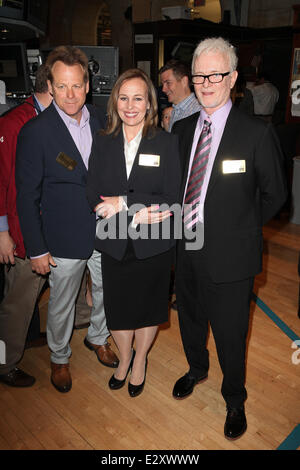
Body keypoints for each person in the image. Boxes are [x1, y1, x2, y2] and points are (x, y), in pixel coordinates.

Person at [171, 37, 286, 440]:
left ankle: (234, 398)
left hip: (232, 259)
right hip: (185, 250)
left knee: (231, 334)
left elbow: (276, 194)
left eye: (216, 74)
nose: (206, 82)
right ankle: (196, 369)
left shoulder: (255, 133)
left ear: (233, 77)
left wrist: (239, 229)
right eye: (200, 75)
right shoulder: (182, 129)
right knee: (189, 319)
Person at [15, 46, 118, 394]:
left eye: (77, 86)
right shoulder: (35, 132)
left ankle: (98, 337)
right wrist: (37, 249)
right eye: (62, 86)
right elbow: (26, 196)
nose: (70, 95)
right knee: (61, 303)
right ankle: (59, 357)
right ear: (50, 86)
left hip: (104, 230)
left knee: (106, 291)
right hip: (62, 237)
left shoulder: (105, 120)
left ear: (87, 85)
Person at [86, 68, 181, 397]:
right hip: (114, 242)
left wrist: (125, 203)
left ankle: (140, 360)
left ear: (149, 103)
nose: (130, 105)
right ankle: (124, 358)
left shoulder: (166, 143)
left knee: (148, 309)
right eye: (123, 98)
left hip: (153, 246)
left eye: (138, 98)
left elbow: (172, 198)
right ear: (115, 102)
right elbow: (92, 192)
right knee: (119, 310)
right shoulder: (103, 141)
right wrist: (108, 206)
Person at [0, 65, 52, 388]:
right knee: (16, 302)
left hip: (45, 227)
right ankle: (4, 364)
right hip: (19, 231)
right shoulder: (14, 122)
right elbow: (1, 179)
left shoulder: (53, 120)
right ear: (50, 84)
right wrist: (2, 231)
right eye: (65, 85)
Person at [159, 59, 201, 131]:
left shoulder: (198, 111)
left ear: (184, 81)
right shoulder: (175, 111)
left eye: (168, 83)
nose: (163, 89)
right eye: (163, 84)